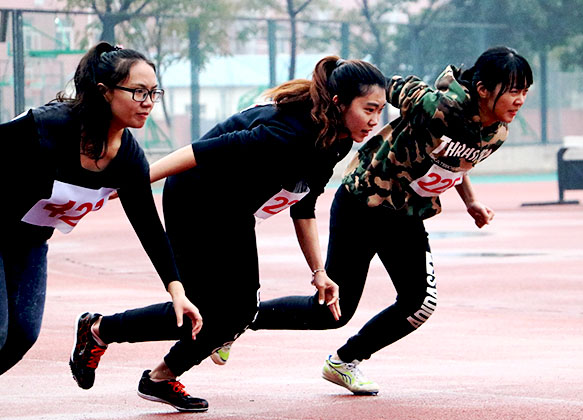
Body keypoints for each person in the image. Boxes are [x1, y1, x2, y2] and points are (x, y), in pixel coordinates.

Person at [69, 56, 387, 412]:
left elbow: (304, 205)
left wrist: (319, 272)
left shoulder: (335, 140)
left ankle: (155, 373)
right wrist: (135, 182)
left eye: (380, 110)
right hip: (194, 197)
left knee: (237, 311)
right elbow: (198, 152)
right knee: (216, 310)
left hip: (233, 210)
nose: (375, 120)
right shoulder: (289, 134)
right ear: (339, 103)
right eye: (369, 109)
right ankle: (101, 332)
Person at [249, 46, 534, 395]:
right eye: (514, 90)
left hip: (405, 214)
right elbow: (384, 85)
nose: (520, 100)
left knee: (420, 303)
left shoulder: (497, 133)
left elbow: (454, 159)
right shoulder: (434, 106)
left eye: (525, 91)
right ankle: (240, 319)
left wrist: (470, 200)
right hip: (361, 203)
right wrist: (349, 91)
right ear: (483, 89)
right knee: (331, 313)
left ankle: (345, 361)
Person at [0, 43, 202, 378]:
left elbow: (149, 227)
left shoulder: (128, 160)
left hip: (29, 241)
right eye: (138, 92)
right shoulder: (47, 127)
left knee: (21, 336)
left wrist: (177, 291)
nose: (148, 102)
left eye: (154, 92)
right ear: (104, 92)